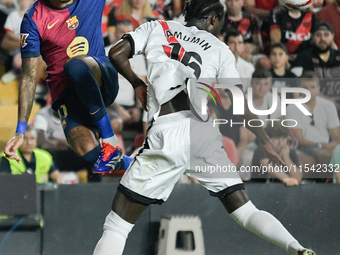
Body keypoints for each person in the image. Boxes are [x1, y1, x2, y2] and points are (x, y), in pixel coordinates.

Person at [92, 1, 317, 254]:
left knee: (117, 227)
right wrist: (264, 139)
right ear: (212, 20)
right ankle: (296, 247)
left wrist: (137, 84)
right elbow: (241, 105)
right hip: (202, 132)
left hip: (167, 129)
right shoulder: (220, 49)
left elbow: (116, 53)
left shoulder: (157, 27)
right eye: (220, 23)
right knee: (245, 211)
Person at [3, 0, 135, 174]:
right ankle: (134, 163)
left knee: (75, 66)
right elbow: (28, 77)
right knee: (86, 151)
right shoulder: (33, 18)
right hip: (66, 94)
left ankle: (110, 141)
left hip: (101, 77)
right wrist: (20, 131)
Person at [286, 71, 340, 179]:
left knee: (333, 154)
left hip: (325, 146)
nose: (309, 91)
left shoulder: (328, 105)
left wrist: (334, 147)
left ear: (318, 88)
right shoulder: (292, 107)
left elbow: (337, 136)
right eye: (305, 88)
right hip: (301, 148)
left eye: (312, 87)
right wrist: (323, 146)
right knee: (324, 156)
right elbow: (299, 141)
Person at [33, 105, 101, 182]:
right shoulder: (43, 115)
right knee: (47, 156)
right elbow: (42, 143)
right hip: (54, 154)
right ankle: (52, 189)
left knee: (94, 157)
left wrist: (59, 142)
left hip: (70, 152)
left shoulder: (75, 115)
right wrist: (61, 143)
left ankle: (94, 190)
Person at [291, 22, 340, 113]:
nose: (322, 39)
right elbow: (298, 87)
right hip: (315, 104)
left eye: (326, 35)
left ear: (332, 36)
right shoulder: (304, 57)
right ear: (312, 37)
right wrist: (330, 102)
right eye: (318, 35)